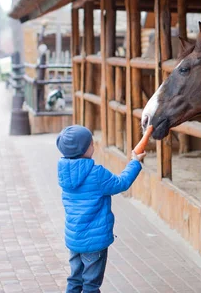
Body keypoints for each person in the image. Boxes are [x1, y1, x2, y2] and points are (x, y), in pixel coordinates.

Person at [56, 125, 145, 293]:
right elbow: (121, 184)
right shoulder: (96, 173)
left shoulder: (63, 172)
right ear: (83, 149)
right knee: (91, 284)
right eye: (91, 144)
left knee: (75, 279)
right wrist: (135, 162)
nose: (94, 146)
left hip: (74, 238)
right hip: (94, 241)